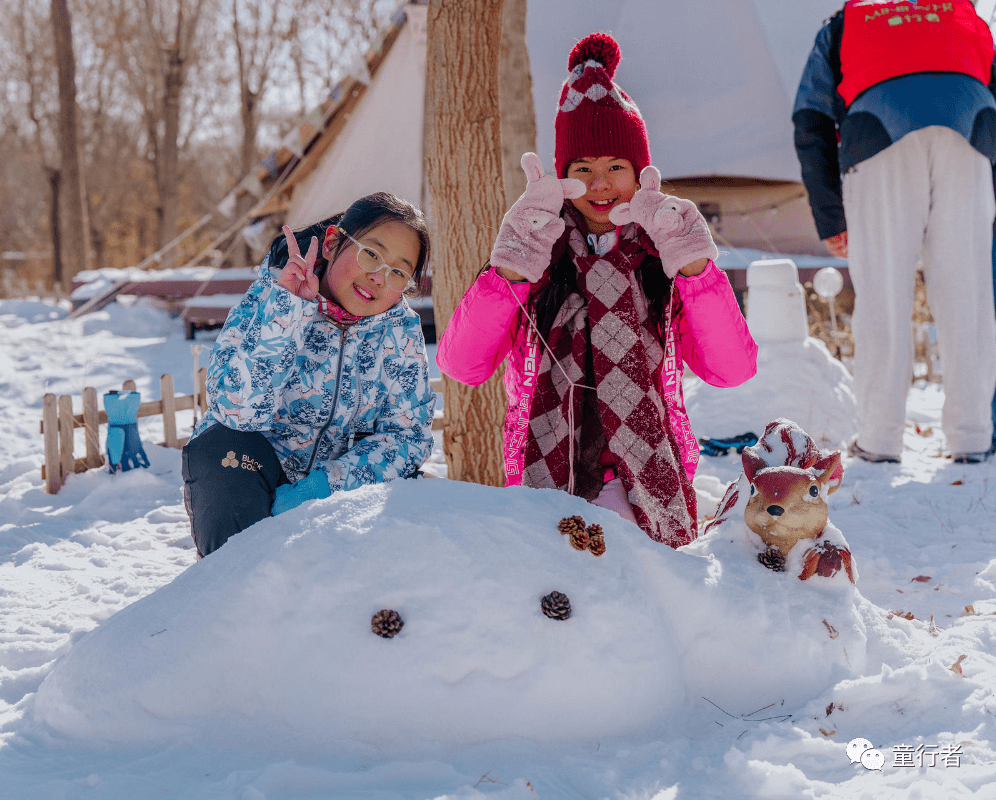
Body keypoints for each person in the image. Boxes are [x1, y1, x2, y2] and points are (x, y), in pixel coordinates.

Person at [436, 33, 758, 548]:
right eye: (582, 170)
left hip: (648, 484)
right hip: (553, 480)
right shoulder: (536, 250)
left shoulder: (661, 258)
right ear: (562, 176)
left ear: (640, 172)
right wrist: (509, 272)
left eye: (615, 168)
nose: (601, 185)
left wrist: (696, 270)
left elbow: (731, 369)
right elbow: (462, 364)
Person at [793, 0, 996, 463]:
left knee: (884, 294)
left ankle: (879, 439)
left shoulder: (846, 23)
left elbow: (810, 119)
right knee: (968, 294)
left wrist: (832, 220)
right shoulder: (962, 12)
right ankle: (971, 437)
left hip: (878, 132)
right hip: (972, 132)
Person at [182, 192, 436, 558]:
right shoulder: (271, 296)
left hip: (340, 487)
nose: (379, 278)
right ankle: (235, 592)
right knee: (222, 449)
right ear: (333, 243)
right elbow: (235, 411)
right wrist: (288, 310)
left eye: (399, 271)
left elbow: (408, 437)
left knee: (411, 488)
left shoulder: (401, 331)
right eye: (371, 254)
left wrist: (323, 485)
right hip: (254, 476)